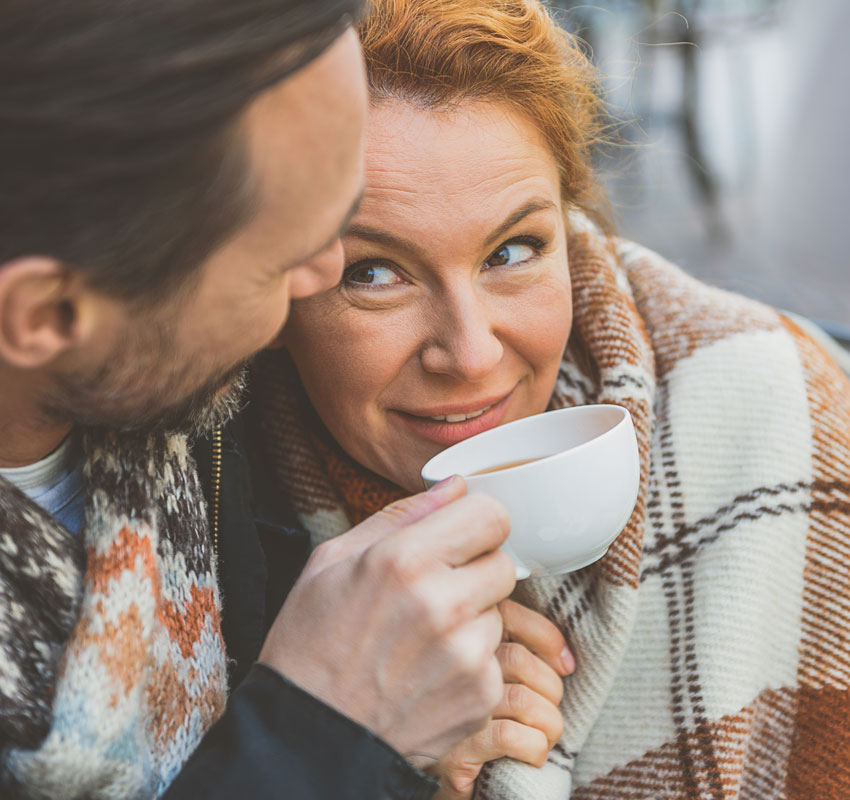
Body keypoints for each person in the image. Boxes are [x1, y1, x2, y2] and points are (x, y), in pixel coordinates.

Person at [215, 0, 850, 798]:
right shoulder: (201, 510)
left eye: (514, 250)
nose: (472, 352)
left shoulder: (777, 413)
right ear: (272, 288)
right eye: (372, 272)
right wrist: (374, 758)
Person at [0, 1, 554, 797]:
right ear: (49, 315)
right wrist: (331, 731)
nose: (321, 285)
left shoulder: (180, 397)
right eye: (281, 262)